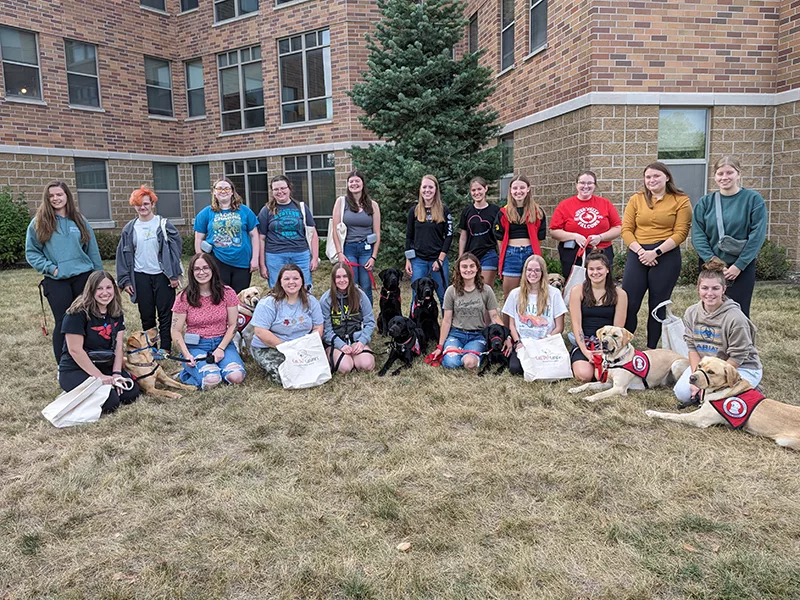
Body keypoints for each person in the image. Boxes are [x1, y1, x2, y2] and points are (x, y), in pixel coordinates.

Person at [25, 181, 103, 363]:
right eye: (51, 196)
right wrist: (51, 268)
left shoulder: (79, 220)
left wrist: (99, 278)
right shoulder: (39, 222)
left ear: (67, 196)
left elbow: (92, 250)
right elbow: (31, 252)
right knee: (64, 322)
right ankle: (64, 364)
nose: (55, 199)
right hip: (57, 280)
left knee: (87, 319)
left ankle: (89, 360)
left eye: (59, 194)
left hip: (84, 277)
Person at [621, 162, 692, 349]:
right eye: (648, 177)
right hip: (638, 253)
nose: (652, 180)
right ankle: (625, 346)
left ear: (667, 177)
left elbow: (681, 232)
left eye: (656, 176)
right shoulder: (636, 199)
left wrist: (656, 252)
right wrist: (642, 252)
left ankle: (652, 348)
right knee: (629, 302)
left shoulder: (680, 200)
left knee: (657, 305)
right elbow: (626, 230)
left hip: (666, 256)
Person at [674, 257, 762, 406]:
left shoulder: (736, 318)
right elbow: (692, 347)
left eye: (715, 288)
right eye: (705, 288)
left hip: (739, 366)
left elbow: (738, 356)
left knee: (722, 402)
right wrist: (698, 378)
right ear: (698, 288)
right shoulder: (691, 312)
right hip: (707, 366)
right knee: (683, 394)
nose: (710, 293)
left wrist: (709, 384)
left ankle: (750, 384)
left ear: (724, 289)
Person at [691, 156, 767, 317]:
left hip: (741, 266)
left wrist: (739, 266)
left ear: (738, 174)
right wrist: (713, 262)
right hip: (711, 266)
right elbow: (698, 235)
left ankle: (739, 342)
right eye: (720, 173)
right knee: (710, 308)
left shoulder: (753, 200)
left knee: (738, 311)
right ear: (715, 176)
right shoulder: (705, 202)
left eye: (729, 172)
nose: (724, 177)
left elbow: (757, 236)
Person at [58, 271, 141, 414]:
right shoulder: (77, 313)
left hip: (105, 364)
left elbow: (119, 345)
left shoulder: (116, 312)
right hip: (76, 368)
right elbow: (75, 350)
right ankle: (75, 393)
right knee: (110, 402)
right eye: (99, 288)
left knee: (130, 393)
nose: (105, 293)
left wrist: (116, 373)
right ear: (91, 290)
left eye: (108, 288)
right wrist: (100, 377)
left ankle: (101, 387)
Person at [115, 186, 183, 353]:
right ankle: (151, 347)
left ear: (152, 203)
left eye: (146, 203)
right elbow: (122, 257)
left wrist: (173, 275)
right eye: (138, 204)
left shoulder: (163, 224)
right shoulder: (130, 229)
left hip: (163, 275)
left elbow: (175, 251)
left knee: (165, 314)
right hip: (140, 276)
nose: (142, 207)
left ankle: (165, 348)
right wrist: (125, 280)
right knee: (146, 315)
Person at [171, 253, 246, 390]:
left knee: (236, 377)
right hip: (196, 345)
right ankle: (188, 374)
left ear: (213, 269)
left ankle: (214, 367)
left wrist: (221, 349)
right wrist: (186, 354)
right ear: (191, 272)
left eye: (205, 268)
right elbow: (175, 330)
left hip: (222, 342)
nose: (201, 272)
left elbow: (233, 324)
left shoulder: (228, 293)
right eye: (197, 269)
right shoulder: (183, 297)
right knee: (212, 380)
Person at [428, 253, 510, 370]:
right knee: (451, 364)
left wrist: (507, 338)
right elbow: (446, 320)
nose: (468, 270)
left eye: (472, 266)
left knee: (470, 363)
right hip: (456, 334)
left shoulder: (486, 290)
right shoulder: (451, 291)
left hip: (477, 335)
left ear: (477, 268)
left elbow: (494, 316)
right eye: (464, 267)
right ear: (459, 269)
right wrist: (440, 346)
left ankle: (467, 354)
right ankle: (454, 352)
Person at [250, 264, 324, 384]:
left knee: (320, 371)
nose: (291, 282)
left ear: (302, 281)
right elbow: (260, 332)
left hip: (302, 347)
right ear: (280, 281)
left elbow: (318, 327)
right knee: (289, 375)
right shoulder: (268, 303)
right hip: (271, 347)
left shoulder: (311, 301)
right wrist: (287, 348)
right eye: (286, 279)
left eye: (296, 278)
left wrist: (308, 344)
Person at [503, 255, 567, 376]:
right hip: (524, 342)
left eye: (537, 270)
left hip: (545, 342)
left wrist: (544, 341)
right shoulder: (515, 294)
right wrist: (518, 342)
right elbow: (511, 324)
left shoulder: (554, 294)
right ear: (525, 271)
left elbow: (559, 327)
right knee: (516, 369)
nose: (533, 273)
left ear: (543, 273)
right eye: (529, 270)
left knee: (548, 368)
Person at [568, 252, 628, 382]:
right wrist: (585, 351)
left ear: (607, 270)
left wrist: (604, 350)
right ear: (587, 271)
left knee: (600, 376)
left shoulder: (620, 294)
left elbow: (618, 328)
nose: (595, 272)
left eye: (599, 268)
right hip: (585, 341)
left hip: (609, 342)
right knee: (584, 375)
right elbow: (576, 325)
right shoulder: (577, 291)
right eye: (591, 269)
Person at [550, 170, 622, 278]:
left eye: (589, 183)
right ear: (576, 185)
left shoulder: (605, 203)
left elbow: (617, 227)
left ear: (595, 185)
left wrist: (600, 237)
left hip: (601, 251)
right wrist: (574, 236)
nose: (586, 186)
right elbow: (554, 231)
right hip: (574, 252)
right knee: (575, 284)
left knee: (602, 283)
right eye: (582, 183)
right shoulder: (565, 205)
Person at [194, 177, 259, 294]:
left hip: (242, 261)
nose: (223, 191)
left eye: (226, 188)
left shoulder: (245, 211)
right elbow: (199, 239)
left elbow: (255, 236)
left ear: (232, 192)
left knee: (240, 296)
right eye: (219, 188)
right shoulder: (206, 213)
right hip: (218, 261)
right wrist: (201, 261)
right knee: (220, 295)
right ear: (214, 192)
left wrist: (255, 259)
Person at [258, 176, 319, 290]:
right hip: (275, 256)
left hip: (301, 254)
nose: (280, 192)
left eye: (283, 188)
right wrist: (262, 264)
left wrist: (315, 258)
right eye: (276, 189)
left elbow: (313, 233)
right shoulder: (266, 210)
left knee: (304, 288)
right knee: (278, 290)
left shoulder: (301, 207)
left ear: (289, 188)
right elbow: (261, 238)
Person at [330, 170, 381, 305]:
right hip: (348, 249)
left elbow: (377, 232)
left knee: (366, 285)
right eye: (351, 181)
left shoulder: (373, 205)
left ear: (363, 184)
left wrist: (373, 256)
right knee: (350, 283)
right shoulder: (341, 202)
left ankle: (367, 317)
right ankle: (352, 315)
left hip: (366, 249)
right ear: (347, 184)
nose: (354, 184)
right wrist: (340, 253)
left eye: (357, 181)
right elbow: (335, 230)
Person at [493, 174, 547, 300]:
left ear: (528, 189)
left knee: (532, 294)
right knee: (509, 295)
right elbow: (499, 239)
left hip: (531, 253)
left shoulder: (537, 212)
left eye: (522, 188)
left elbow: (540, 239)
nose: (518, 191)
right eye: (515, 188)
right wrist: (504, 256)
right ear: (510, 190)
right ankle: (508, 320)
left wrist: (536, 256)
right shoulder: (504, 212)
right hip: (511, 254)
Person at [405, 174, 453, 306]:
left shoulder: (444, 210)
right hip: (418, 260)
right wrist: (408, 260)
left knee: (444, 296)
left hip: (437, 259)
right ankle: (413, 325)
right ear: (420, 189)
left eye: (430, 187)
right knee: (416, 296)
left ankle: (448, 326)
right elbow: (409, 236)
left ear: (436, 189)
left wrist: (441, 259)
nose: (427, 190)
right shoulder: (413, 211)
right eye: (424, 187)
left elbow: (449, 236)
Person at [319, 262, 376, 373]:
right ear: (333, 279)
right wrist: (340, 345)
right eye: (338, 277)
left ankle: (357, 356)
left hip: (356, 339)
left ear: (350, 277)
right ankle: (337, 356)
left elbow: (369, 322)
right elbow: (326, 329)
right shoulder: (326, 300)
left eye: (345, 276)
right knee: (345, 368)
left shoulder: (360, 295)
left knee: (366, 365)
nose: (342, 280)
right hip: (336, 341)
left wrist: (362, 341)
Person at [458, 177, 501, 289]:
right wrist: (460, 257)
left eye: (479, 189)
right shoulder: (467, 212)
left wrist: (501, 256)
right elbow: (463, 236)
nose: (477, 193)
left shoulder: (495, 210)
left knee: (485, 288)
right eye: (473, 190)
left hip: (488, 254)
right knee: (470, 288)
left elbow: (499, 236)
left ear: (485, 189)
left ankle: (488, 307)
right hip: (470, 255)